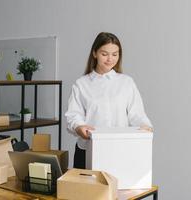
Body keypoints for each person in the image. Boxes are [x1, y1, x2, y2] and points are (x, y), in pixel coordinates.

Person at [65, 32, 153, 169]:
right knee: (87, 190)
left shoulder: (126, 82)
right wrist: (79, 126)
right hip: (88, 149)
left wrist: (144, 126)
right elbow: (73, 114)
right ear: (95, 53)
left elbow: (137, 114)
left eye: (115, 54)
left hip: (119, 150)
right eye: (104, 54)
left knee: (118, 190)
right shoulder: (81, 84)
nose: (110, 59)